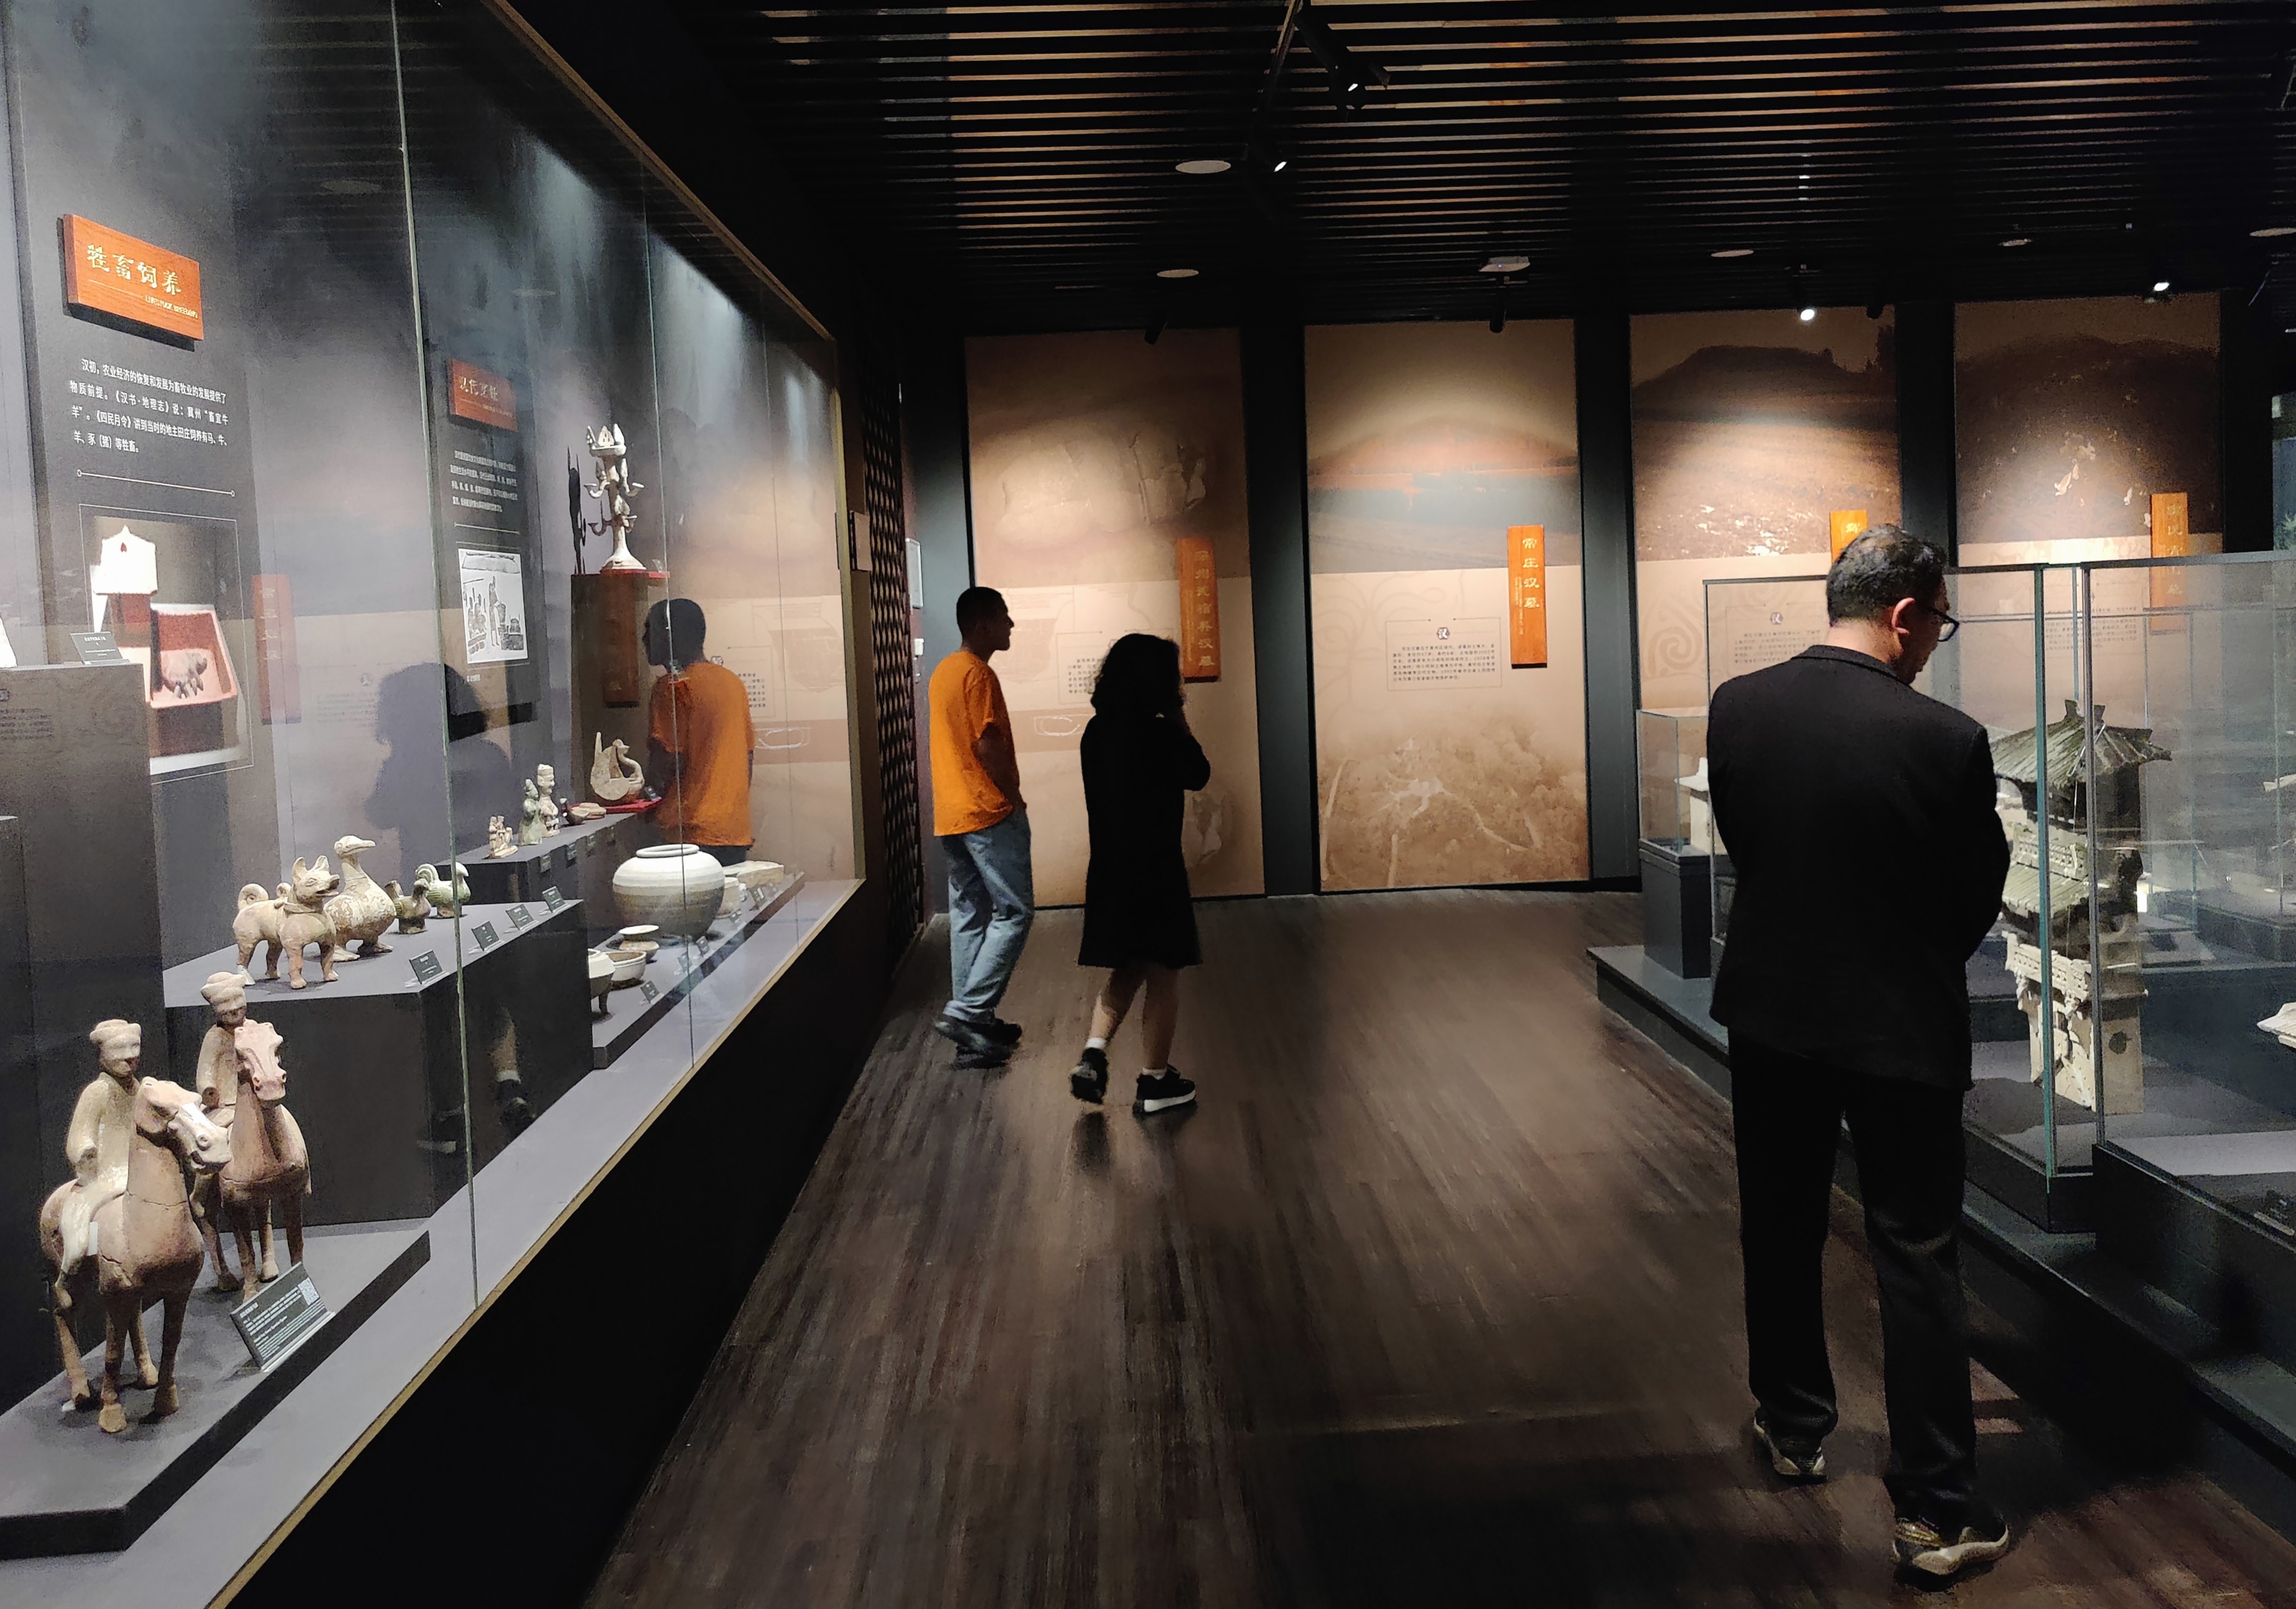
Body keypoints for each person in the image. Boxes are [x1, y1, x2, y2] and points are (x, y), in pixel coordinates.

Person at [1707, 526, 2013, 1581]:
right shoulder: (1947, 739)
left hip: (1773, 1010)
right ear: (1905, 614)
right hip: (1900, 1023)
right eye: (1937, 625)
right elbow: (1975, 892)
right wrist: (1907, 955)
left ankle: (1793, 1424)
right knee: (1915, 1252)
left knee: (1779, 1220)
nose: (1931, 646)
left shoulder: (1738, 705)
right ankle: (1934, 1510)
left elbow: (1748, 846)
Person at [1069, 633, 1208, 1115]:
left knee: (1127, 967)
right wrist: (1178, 719)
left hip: (1110, 870)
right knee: (1164, 975)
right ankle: (1155, 1081)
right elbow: (1199, 773)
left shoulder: (1096, 732)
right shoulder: (1161, 735)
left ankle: (1094, 1053)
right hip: (1157, 872)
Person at [928, 587, 1032, 1065]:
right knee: (1015, 912)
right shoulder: (978, 673)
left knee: (970, 913)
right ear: (982, 624)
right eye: (1003, 617)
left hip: (952, 814)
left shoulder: (944, 672)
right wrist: (1014, 797)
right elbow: (988, 746)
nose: (1010, 625)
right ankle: (970, 1011)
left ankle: (974, 1025)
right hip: (987, 811)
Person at [645, 598, 757, 867]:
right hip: (733, 829)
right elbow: (748, 758)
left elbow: (669, 761)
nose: (644, 639)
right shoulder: (731, 682)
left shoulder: (671, 687)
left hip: (689, 830)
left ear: (672, 635)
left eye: (651, 630)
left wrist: (645, 798)